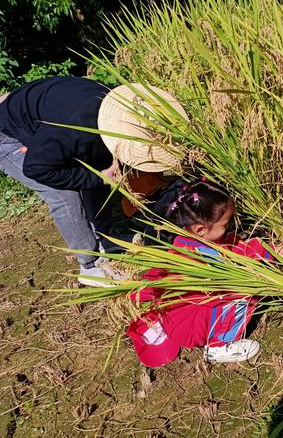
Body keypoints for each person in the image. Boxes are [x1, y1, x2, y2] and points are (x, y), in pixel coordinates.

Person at [0, 77, 186, 287]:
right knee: (63, 193)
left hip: (44, 117)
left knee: (101, 165)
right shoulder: (72, 131)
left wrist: (102, 176)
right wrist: (98, 177)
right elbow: (36, 168)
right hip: (6, 133)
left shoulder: (115, 107)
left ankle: (105, 238)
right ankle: (90, 265)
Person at [126, 178, 273, 366]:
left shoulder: (186, 242)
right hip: (189, 327)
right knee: (244, 288)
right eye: (225, 225)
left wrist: (269, 251)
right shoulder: (197, 257)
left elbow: (234, 249)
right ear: (201, 229)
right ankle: (218, 347)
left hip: (178, 317)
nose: (229, 228)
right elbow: (157, 279)